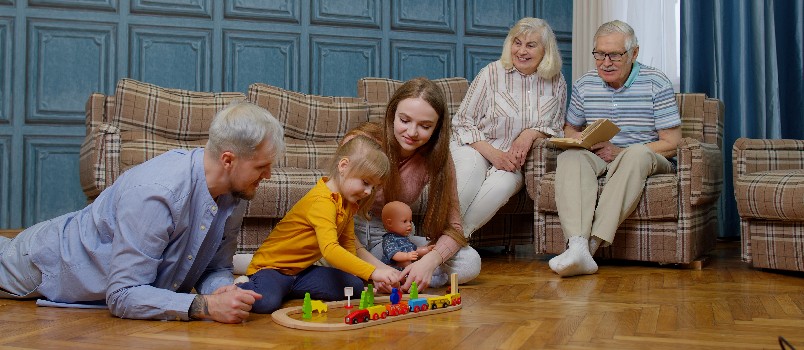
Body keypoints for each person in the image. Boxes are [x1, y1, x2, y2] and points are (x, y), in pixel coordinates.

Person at [0, 101, 285, 323]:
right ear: (228, 160)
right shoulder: (157, 192)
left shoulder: (236, 193)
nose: (269, 175)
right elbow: (123, 294)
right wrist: (205, 306)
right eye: (262, 167)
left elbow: (215, 268)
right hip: (43, 264)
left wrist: (221, 290)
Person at [549, 20, 682, 277]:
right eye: (599, 54)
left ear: (634, 53)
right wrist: (581, 140)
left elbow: (672, 142)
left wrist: (620, 152)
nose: (605, 62)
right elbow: (570, 129)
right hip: (600, 156)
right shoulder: (584, 84)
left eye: (614, 55)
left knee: (636, 154)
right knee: (570, 158)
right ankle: (576, 245)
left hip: (648, 158)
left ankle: (591, 246)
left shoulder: (656, 82)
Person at [237, 135, 402, 314]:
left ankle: (286, 290)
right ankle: (245, 284)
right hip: (272, 268)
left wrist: (366, 277)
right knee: (266, 303)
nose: (368, 192)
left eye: (374, 187)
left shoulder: (347, 204)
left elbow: (347, 246)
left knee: (353, 286)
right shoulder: (322, 201)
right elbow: (330, 250)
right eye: (365, 183)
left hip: (301, 272)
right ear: (343, 166)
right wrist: (373, 272)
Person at [346, 77, 482, 291]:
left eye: (425, 126)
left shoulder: (438, 159)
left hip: (396, 239)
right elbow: (334, 218)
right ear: (392, 114)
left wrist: (430, 262)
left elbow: (455, 227)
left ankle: (404, 278)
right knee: (333, 259)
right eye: (404, 120)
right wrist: (378, 269)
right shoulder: (362, 143)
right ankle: (393, 277)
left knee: (471, 261)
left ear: (437, 128)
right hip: (351, 234)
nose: (411, 132)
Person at [451, 17, 567, 238]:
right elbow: (462, 121)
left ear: (546, 50)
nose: (521, 51)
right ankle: (445, 237)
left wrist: (530, 133)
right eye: (517, 42)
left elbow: (556, 127)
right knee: (468, 177)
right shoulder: (491, 73)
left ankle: (453, 239)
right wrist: (494, 155)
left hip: (514, 161)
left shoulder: (556, 80)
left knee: (501, 187)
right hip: (475, 147)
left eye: (531, 45)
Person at [380, 201, 435, 269]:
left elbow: (415, 250)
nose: (409, 224)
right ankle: (412, 274)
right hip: (393, 268)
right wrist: (407, 256)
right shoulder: (389, 239)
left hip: (405, 268)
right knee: (405, 261)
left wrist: (426, 249)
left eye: (410, 221)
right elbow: (394, 254)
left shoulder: (404, 239)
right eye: (405, 221)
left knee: (420, 260)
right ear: (390, 223)